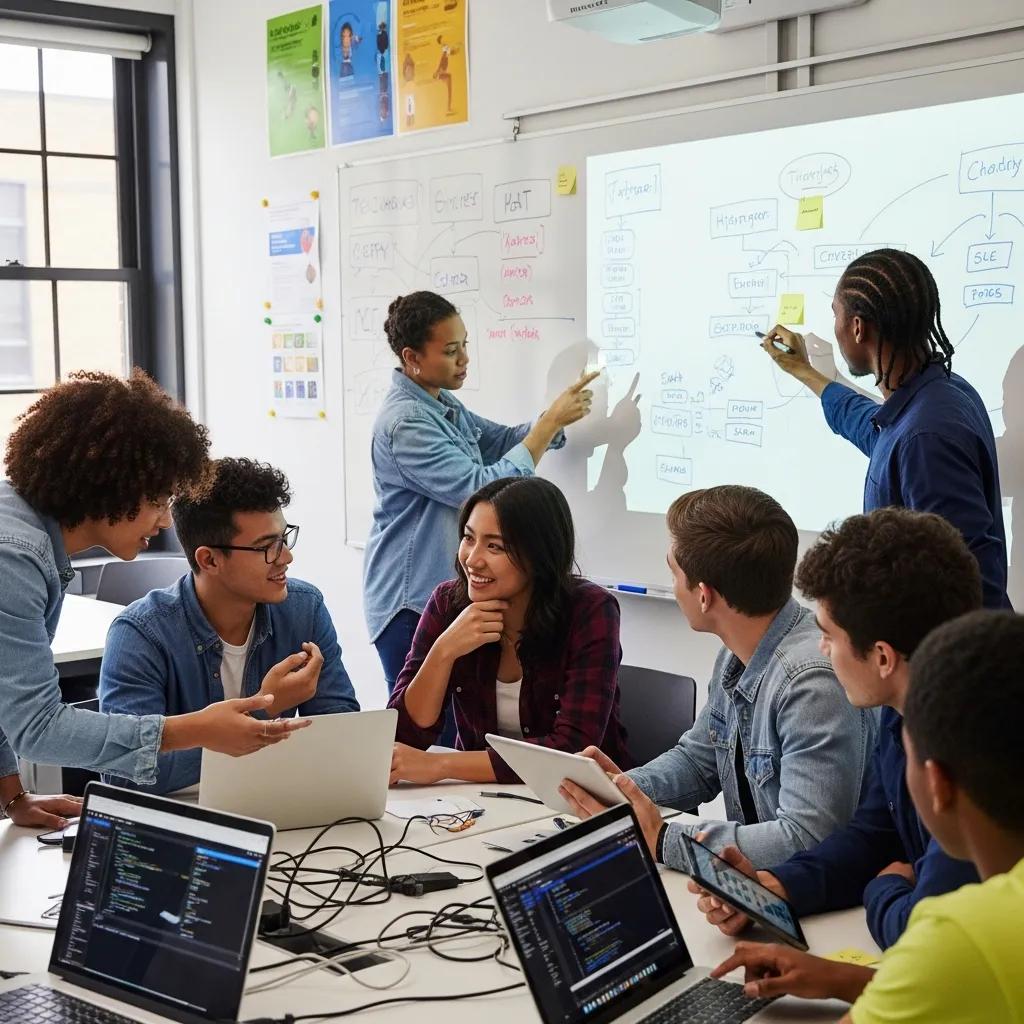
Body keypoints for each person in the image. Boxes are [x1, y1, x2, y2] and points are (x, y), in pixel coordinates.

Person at [0, 372, 309, 830]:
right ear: (112, 487)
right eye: (159, 500)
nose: (165, 520)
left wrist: (12, 796)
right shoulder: (14, 558)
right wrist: (198, 729)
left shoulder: (24, 532)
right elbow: (39, 727)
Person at [708, 609, 1024, 1023]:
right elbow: (959, 984)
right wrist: (842, 979)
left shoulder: (961, 934)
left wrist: (883, 887)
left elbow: (949, 965)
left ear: (937, 784)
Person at [687, 508, 982, 949]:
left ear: (882, 657)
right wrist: (776, 886)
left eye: (828, 636)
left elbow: (925, 934)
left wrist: (884, 886)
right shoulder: (902, 713)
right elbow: (873, 836)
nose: (822, 650)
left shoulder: (972, 756)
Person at [560, 485, 875, 866]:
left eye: (673, 573)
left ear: (704, 595)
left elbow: (806, 839)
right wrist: (621, 791)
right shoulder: (736, 654)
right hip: (758, 883)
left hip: (815, 894)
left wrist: (664, 840)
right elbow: (698, 762)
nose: (674, 585)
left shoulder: (811, 683)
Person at [363, 291, 598, 696]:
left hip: (444, 593)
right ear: (412, 357)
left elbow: (501, 441)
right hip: (411, 602)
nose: (465, 359)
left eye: (464, 345)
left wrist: (553, 418)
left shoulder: (440, 403)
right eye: (451, 350)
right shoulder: (405, 424)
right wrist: (547, 427)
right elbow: (479, 487)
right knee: (422, 723)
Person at [760, 247, 1009, 609]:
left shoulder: (926, 437)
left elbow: (971, 584)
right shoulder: (941, 390)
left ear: (857, 327)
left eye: (835, 314)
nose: (835, 326)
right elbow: (877, 431)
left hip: (949, 644)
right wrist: (806, 372)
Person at [99, 458, 359, 794]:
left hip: (276, 803)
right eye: (266, 547)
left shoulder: (304, 609)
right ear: (209, 560)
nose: (285, 557)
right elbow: (123, 773)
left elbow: (344, 737)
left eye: (284, 538)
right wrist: (265, 710)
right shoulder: (141, 634)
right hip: (181, 817)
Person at [387, 476, 630, 785]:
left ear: (538, 554)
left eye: (495, 546)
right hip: (482, 798)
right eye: (469, 538)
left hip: (580, 797)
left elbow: (572, 750)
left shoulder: (590, 609)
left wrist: (443, 765)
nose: (473, 559)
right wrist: (443, 652)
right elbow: (402, 737)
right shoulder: (448, 603)